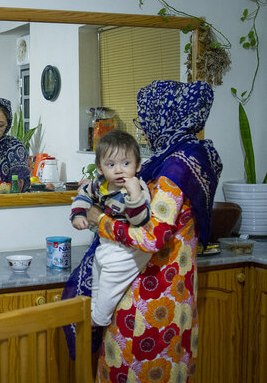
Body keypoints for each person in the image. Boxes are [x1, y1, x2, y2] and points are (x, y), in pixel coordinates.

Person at [83, 81, 221, 383]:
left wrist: (99, 220)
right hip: (178, 296)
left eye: (144, 120)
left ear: (164, 117)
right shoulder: (196, 155)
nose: (143, 129)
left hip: (148, 299)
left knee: (132, 372)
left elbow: (150, 237)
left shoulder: (175, 169)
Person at [70, 129, 152, 328]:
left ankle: (98, 319)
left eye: (126, 163)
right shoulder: (100, 184)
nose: (119, 170)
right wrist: (78, 214)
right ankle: (94, 313)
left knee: (108, 290)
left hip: (126, 252)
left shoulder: (137, 188)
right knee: (97, 282)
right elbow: (83, 195)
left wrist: (134, 197)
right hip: (106, 245)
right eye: (111, 164)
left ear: (138, 165)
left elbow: (140, 220)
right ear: (100, 168)